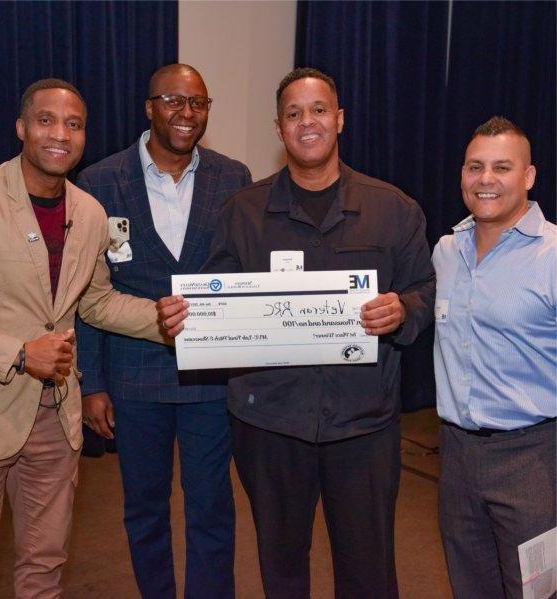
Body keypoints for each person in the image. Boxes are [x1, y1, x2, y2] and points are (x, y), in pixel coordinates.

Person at [158, 67, 435, 598]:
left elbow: (424, 287)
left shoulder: (393, 209)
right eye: (293, 113)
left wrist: (404, 309)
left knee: (369, 570)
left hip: (363, 426)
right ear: (278, 127)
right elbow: (213, 304)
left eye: (318, 110)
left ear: (340, 119)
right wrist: (185, 320)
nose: (307, 122)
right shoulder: (241, 212)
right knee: (281, 568)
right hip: (270, 424)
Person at [0, 79, 167, 597]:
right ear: (22, 128)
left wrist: (166, 322)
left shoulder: (91, 213)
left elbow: (96, 302)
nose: (61, 134)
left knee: (44, 566)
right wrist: (17, 353)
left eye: (74, 124)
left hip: (56, 417)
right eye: (47, 120)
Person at [74, 64, 251, 599]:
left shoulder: (233, 177)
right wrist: (92, 383)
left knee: (212, 505)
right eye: (173, 100)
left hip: (210, 376)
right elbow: (88, 293)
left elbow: (245, 275)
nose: (187, 113)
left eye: (198, 103)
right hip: (132, 379)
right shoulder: (99, 181)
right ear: (148, 107)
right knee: (144, 506)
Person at [433, 116, 556, 599]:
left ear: (528, 177)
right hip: (457, 456)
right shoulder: (445, 250)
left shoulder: (551, 256)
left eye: (501, 167)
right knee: (470, 585)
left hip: (534, 460)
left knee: (539, 591)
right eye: (474, 167)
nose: (485, 179)